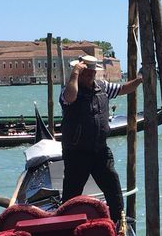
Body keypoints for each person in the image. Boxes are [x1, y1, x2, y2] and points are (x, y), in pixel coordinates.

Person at [60, 55, 142, 223]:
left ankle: (120, 222)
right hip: (76, 152)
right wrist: (74, 74)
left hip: (100, 149)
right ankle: (66, 224)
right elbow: (70, 98)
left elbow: (124, 89)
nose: (89, 76)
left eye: (91, 73)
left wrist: (141, 79)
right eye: (85, 73)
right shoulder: (69, 89)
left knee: (112, 184)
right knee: (72, 192)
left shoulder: (102, 87)